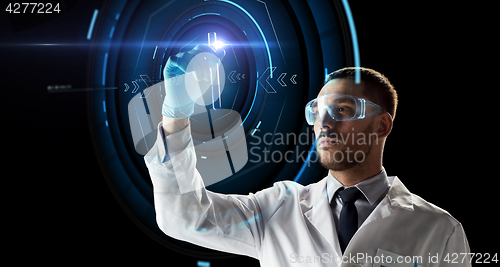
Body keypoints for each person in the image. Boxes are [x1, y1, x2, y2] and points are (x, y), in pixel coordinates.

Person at [144, 45, 470, 266]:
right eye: (318, 112)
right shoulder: (277, 208)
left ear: (382, 125)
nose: (325, 124)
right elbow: (186, 218)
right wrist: (176, 113)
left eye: (342, 110)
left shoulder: (438, 230)